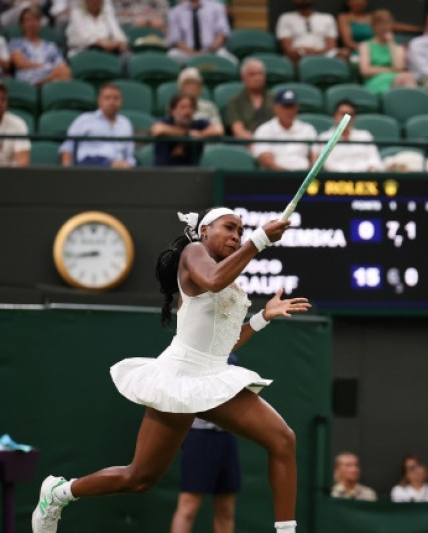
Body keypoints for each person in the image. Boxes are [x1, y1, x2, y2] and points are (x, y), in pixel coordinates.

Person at [30, 207, 312, 533]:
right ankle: (60, 492)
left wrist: (264, 317)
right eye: (230, 228)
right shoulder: (194, 254)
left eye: (242, 230)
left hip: (213, 376)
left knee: (282, 440)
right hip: (179, 378)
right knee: (138, 478)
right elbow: (215, 279)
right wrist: (259, 239)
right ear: (203, 231)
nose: (237, 236)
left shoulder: (231, 281)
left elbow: (225, 344)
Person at [170, 353, 243, 533]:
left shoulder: (230, 356)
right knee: (188, 508)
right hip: (199, 437)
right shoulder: (193, 354)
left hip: (226, 437)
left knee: (226, 509)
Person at [60, 83, 135, 168]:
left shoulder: (125, 123)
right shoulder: (85, 119)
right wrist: (67, 171)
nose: (112, 102)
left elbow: (129, 154)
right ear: (99, 100)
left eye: (116, 98)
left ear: (121, 101)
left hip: (119, 169)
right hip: (91, 165)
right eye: (107, 98)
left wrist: (129, 165)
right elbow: (68, 146)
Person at [251, 89, 317, 171]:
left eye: (292, 106)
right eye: (285, 106)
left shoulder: (307, 129)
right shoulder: (264, 129)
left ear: (297, 108)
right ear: (275, 108)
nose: (289, 111)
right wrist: (288, 176)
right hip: (275, 177)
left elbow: (315, 157)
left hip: (303, 177)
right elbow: (267, 161)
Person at [152, 93, 224, 166]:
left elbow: (219, 130)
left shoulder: (199, 124)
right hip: (163, 172)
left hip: (191, 173)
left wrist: (200, 135)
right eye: (183, 107)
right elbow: (158, 130)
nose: (187, 112)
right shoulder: (165, 122)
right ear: (172, 111)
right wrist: (187, 134)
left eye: (191, 107)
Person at [312, 99, 382, 172]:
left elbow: (375, 160)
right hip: (334, 179)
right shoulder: (323, 137)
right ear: (335, 115)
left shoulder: (365, 136)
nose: (347, 118)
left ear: (354, 118)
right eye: (343, 114)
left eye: (350, 114)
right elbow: (321, 164)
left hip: (363, 178)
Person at [9, 8, 71, 87]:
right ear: (22, 25)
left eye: (35, 20)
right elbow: (20, 63)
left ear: (39, 23)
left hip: (50, 76)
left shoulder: (51, 46)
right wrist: (45, 66)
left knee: (66, 71)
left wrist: (49, 72)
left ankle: (44, 83)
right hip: (27, 79)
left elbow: (62, 65)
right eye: (28, 20)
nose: (32, 24)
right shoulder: (16, 43)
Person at [358, 9, 416, 95]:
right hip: (375, 82)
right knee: (406, 78)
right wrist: (390, 70)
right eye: (380, 24)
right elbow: (365, 71)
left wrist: (391, 44)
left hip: (396, 81)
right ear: (373, 26)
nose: (384, 27)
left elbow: (399, 67)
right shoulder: (365, 45)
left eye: (387, 23)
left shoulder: (397, 47)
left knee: (407, 77)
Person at [276, 0, 346, 63]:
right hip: (298, 56)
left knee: (343, 54)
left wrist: (315, 52)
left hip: (324, 54)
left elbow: (331, 47)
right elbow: (288, 48)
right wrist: (304, 51)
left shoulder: (327, 18)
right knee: (293, 54)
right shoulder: (285, 18)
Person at [166, 0, 235, 64]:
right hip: (186, 53)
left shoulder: (217, 8)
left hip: (213, 52)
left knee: (230, 60)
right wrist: (193, 54)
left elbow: (222, 33)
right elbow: (175, 39)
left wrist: (210, 51)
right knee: (172, 55)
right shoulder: (175, 12)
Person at [225, 57, 274, 140]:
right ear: (243, 77)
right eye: (252, 74)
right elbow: (238, 130)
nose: (257, 78)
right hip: (247, 143)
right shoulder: (235, 101)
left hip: (274, 141)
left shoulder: (275, 99)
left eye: (260, 74)